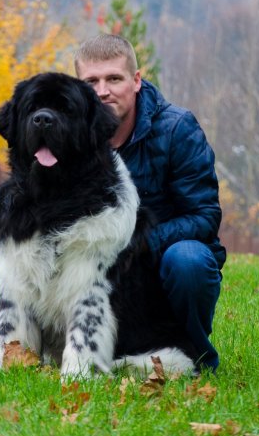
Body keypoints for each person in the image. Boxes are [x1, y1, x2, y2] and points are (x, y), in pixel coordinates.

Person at [74, 33, 226, 371]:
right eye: (91, 81)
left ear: (136, 80)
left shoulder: (177, 130)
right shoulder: (68, 134)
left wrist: (135, 244)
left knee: (189, 260)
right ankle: (22, 347)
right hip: (86, 266)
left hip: (157, 266)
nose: (102, 91)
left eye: (114, 78)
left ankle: (196, 356)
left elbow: (204, 216)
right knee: (8, 240)